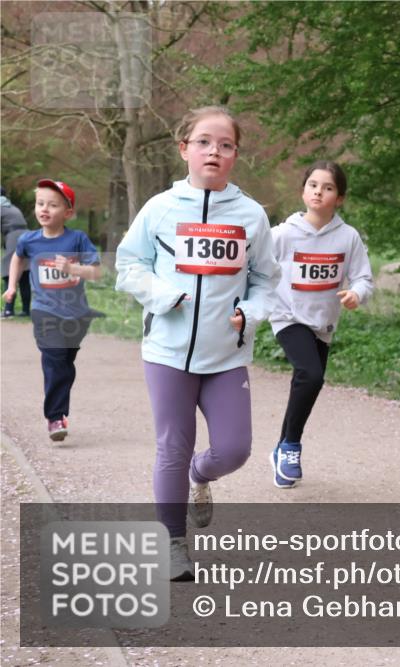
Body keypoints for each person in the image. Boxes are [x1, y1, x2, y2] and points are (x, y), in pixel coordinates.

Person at [115, 106, 280, 581]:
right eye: (204, 142)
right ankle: (173, 544)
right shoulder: (160, 208)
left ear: (235, 155)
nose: (214, 151)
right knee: (172, 446)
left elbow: (266, 280)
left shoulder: (251, 215)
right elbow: (129, 265)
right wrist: (162, 296)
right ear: (184, 148)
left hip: (226, 355)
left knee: (235, 450)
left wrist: (251, 312)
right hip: (168, 352)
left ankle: (200, 475)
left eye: (225, 145)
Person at [268, 160, 374, 488]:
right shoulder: (282, 234)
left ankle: (281, 448)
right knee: (310, 374)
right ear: (303, 191)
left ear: (339, 198)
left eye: (328, 188)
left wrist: (356, 294)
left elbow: (364, 278)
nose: (318, 192)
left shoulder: (348, 237)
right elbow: (255, 267)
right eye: (313, 185)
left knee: (308, 382)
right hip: (287, 316)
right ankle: (291, 446)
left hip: (323, 324)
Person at [3, 179, 102, 440]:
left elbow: (96, 272)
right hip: (44, 311)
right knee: (54, 358)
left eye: (53, 205)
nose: (44, 209)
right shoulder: (29, 240)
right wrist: (12, 287)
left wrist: (72, 268)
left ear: (68, 212)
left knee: (64, 364)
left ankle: (59, 407)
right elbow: (17, 258)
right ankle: (55, 418)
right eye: (40, 204)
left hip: (76, 313)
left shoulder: (77, 239)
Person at [2, 187, 32, 317]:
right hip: (25, 236)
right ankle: (25, 310)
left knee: (9, 273)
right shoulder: (11, 206)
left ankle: (8, 310)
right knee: (24, 274)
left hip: (14, 237)